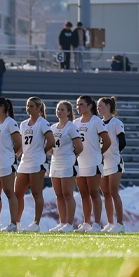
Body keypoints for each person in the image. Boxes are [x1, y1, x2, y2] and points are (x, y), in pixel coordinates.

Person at [14, 97, 54, 232]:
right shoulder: (24, 124)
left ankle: (36, 223)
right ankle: (16, 223)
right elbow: (23, 143)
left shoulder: (42, 123)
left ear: (38, 108)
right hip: (25, 162)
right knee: (17, 193)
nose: (28, 108)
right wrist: (17, 153)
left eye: (31, 106)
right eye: (27, 106)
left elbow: (51, 141)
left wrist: (42, 151)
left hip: (37, 162)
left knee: (36, 193)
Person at [73, 95, 110, 233]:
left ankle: (97, 223)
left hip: (93, 162)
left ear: (89, 106)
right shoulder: (75, 122)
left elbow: (107, 141)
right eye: (77, 105)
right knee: (83, 194)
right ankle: (86, 223)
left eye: (81, 104)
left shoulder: (96, 121)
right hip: (80, 163)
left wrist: (99, 153)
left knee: (94, 193)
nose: (78, 107)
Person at [0, 97, 21, 232]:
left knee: (9, 192)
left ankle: (13, 224)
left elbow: (18, 142)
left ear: (2, 107)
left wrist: (12, 155)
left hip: (6, 163)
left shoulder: (10, 123)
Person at [47, 100, 82, 233]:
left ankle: (69, 223)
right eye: (58, 109)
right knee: (59, 195)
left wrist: (71, 157)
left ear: (68, 112)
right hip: (55, 162)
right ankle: (62, 222)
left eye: (62, 109)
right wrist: (48, 151)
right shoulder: (53, 127)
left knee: (68, 194)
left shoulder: (71, 127)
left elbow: (79, 146)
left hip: (67, 162)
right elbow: (51, 146)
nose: (59, 112)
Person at [98, 96, 126, 233]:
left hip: (114, 161)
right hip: (102, 162)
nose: (98, 108)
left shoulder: (116, 123)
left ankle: (120, 223)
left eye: (101, 105)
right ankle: (110, 223)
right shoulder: (98, 123)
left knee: (114, 192)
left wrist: (113, 152)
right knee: (106, 193)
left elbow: (122, 142)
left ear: (108, 106)